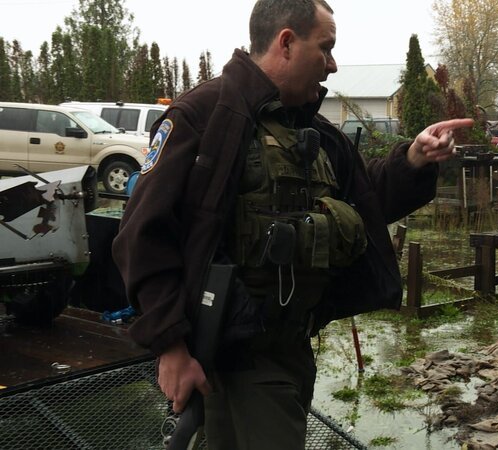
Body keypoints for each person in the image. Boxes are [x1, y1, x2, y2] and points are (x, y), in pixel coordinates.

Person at [111, 0, 473, 448]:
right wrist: (169, 345)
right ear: (286, 42)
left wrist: (415, 159)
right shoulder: (204, 116)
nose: (333, 64)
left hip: (293, 349)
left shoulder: (316, 132)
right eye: (325, 48)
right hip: (237, 357)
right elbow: (142, 233)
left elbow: (363, 201)